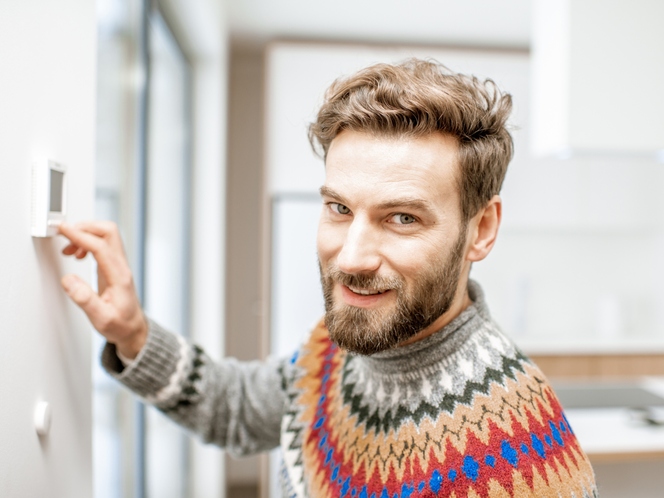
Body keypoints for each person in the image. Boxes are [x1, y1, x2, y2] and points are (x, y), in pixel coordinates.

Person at [59, 59, 598, 497]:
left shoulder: (518, 471)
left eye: (402, 218)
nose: (352, 258)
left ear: (481, 229)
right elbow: (242, 409)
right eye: (339, 208)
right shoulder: (348, 340)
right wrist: (132, 334)